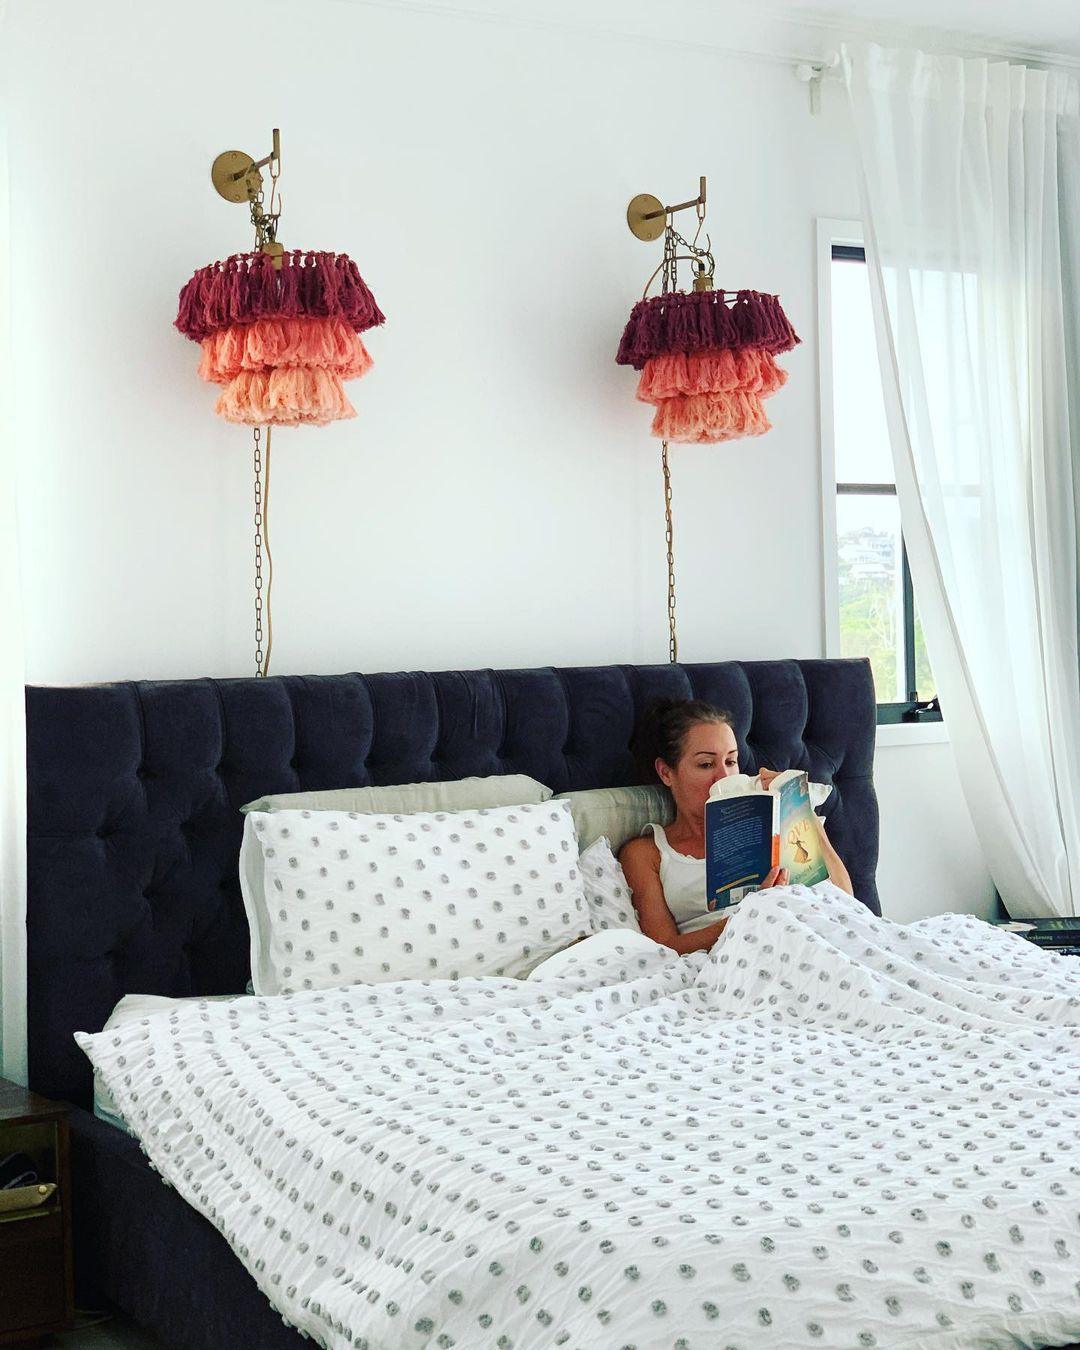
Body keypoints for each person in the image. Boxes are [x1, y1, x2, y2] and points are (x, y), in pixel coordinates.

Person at [619, 699, 854, 953]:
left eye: (731, 762)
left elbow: (847, 904)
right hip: (736, 957)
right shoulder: (647, 853)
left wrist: (802, 811)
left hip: (811, 940)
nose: (723, 776)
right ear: (666, 772)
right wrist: (753, 912)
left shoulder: (777, 826)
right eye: (706, 764)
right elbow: (664, 947)